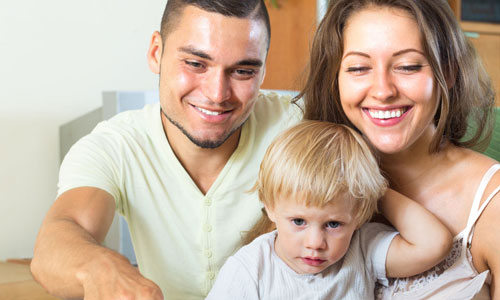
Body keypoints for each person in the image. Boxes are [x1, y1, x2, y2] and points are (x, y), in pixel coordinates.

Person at [31, 1, 301, 299]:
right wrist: (100, 268)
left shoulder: (299, 128)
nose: (216, 94)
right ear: (156, 53)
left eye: (243, 71)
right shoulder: (116, 146)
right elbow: (55, 243)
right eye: (196, 64)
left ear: (263, 71)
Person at [297, 0, 499, 299]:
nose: (382, 90)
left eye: (407, 66)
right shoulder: (305, 171)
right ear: (334, 80)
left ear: (449, 72)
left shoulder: (492, 203)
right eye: (358, 68)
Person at [205, 120, 452, 299]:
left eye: (333, 224)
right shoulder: (250, 268)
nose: (315, 243)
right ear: (269, 207)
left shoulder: (361, 249)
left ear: (358, 215)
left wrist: (373, 191)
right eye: (299, 221)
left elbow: (434, 245)